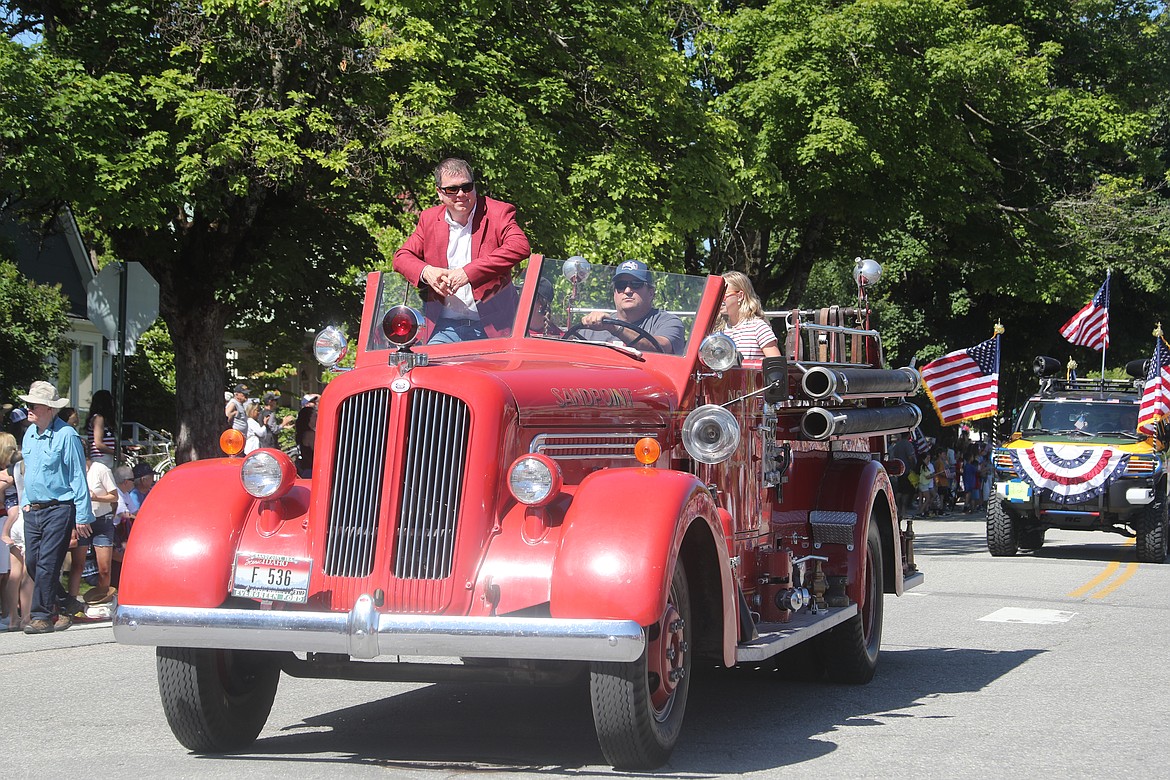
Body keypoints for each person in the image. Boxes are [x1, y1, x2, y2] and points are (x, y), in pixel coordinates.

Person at [392, 157, 531, 343]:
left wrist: (468, 272)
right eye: (452, 189)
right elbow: (401, 257)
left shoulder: (498, 213)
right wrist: (427, 272)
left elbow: (520, 246)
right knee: (429, 371)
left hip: (494, 327)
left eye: (467, 187)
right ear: (439, 193)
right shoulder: (429, 219)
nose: (461, 194)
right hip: (445, 327)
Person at [17, 381, 94, 633]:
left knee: (48, 562)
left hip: (59, 507)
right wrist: (26, 503)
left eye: (34, 405)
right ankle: (65, 604)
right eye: (28, 404)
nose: (29, 408)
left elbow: (77, 477)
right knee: (32, 562)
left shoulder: (67, 436)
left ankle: (40, 616)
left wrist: (82, 515)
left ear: (49, 409)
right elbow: (30, 472)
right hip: (34, 508)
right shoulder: (29, 433)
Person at [575, 261, 687, 354]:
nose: (627, 290)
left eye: (636, 284)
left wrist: (614, 328)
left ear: (651, 293)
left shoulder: (668, 322)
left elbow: (661, 347)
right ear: (614, 293)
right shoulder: (594, 327)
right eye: (621, 285)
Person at [71, 454, 118, 606]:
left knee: (104, 567)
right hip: (81, 520)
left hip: (101, 520)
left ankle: (102, 600)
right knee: (78, 564)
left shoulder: (101, 469)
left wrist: (95, 497)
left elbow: (114, 497)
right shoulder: (71, 470)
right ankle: (72, 603)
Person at [717, 271, 781, 360]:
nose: (719, 299)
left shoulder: (758, 327)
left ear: (740, 296)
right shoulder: (720, 330)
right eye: (717, 295)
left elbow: (776, 365)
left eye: (723, 295)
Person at [84, 390, 117, 468]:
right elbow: (98, 444)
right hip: (100, 458)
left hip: (105, 458)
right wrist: (116, 453)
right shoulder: (98, 418)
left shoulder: (100, 418)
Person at [294, 404, 316, 479]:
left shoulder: (302, 433)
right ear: (309, 418)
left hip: (305, 469)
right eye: (315, 416)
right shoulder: (310, 434)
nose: (317, 418)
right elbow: (318, 451)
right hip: (312, 469)